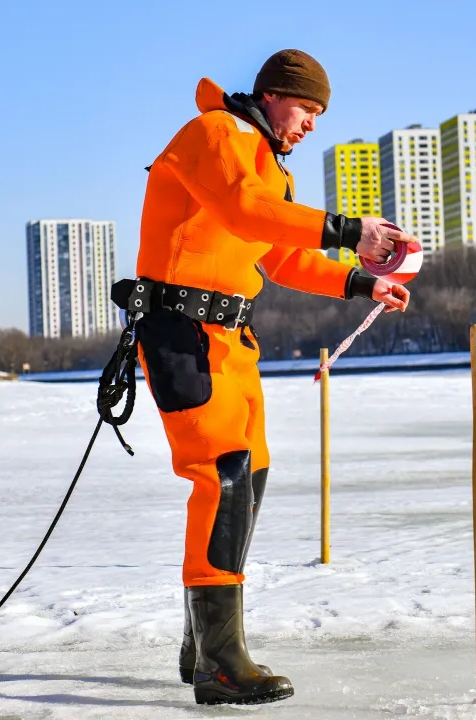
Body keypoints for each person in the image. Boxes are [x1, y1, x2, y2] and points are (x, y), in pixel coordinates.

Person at [118, 49, 414, 705]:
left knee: (248, 475)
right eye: (307, 108)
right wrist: (344, 228)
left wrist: (362, 281)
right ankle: (221, 663)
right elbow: (244, 212)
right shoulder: (217, 135)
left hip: (231, 337)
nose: (311, 124)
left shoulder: (267, 167)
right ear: (275, 95)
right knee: (221, 475)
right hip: (182, 332)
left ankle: (204, 644)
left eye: (318, 114)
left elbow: (277, 254)